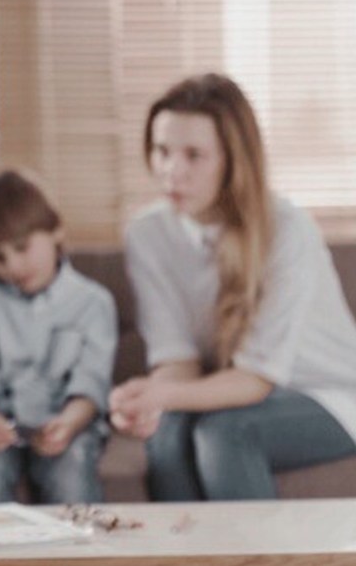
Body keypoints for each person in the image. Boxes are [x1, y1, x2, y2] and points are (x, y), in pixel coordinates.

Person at [108, 72, 356, 500]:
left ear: (231, 160)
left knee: (226, 433)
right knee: (167, 437)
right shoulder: (147, 234)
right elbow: (178, 359)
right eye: (162, 151)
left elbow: (255, 381)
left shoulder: (287, 230)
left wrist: (161, 393)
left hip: (325, 395)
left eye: (193, 155)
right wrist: (151, 399)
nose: (172, 171)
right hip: (226, 389)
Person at [0, 170, 117, 505]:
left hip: (68, 423)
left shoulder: (93, 303)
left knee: (72, 469)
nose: (13, 266)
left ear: (56, 230)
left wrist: (68, 423)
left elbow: (92, 382)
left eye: (22, 248)